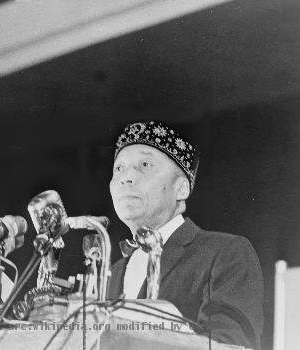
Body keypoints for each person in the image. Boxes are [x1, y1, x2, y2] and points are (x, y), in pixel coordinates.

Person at [107, 121, 264, 350]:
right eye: (118, 168)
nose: (126, 177)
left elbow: (232, 345)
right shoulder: (115, 271)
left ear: (181, 188)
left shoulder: (226, 252)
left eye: (145, 164)